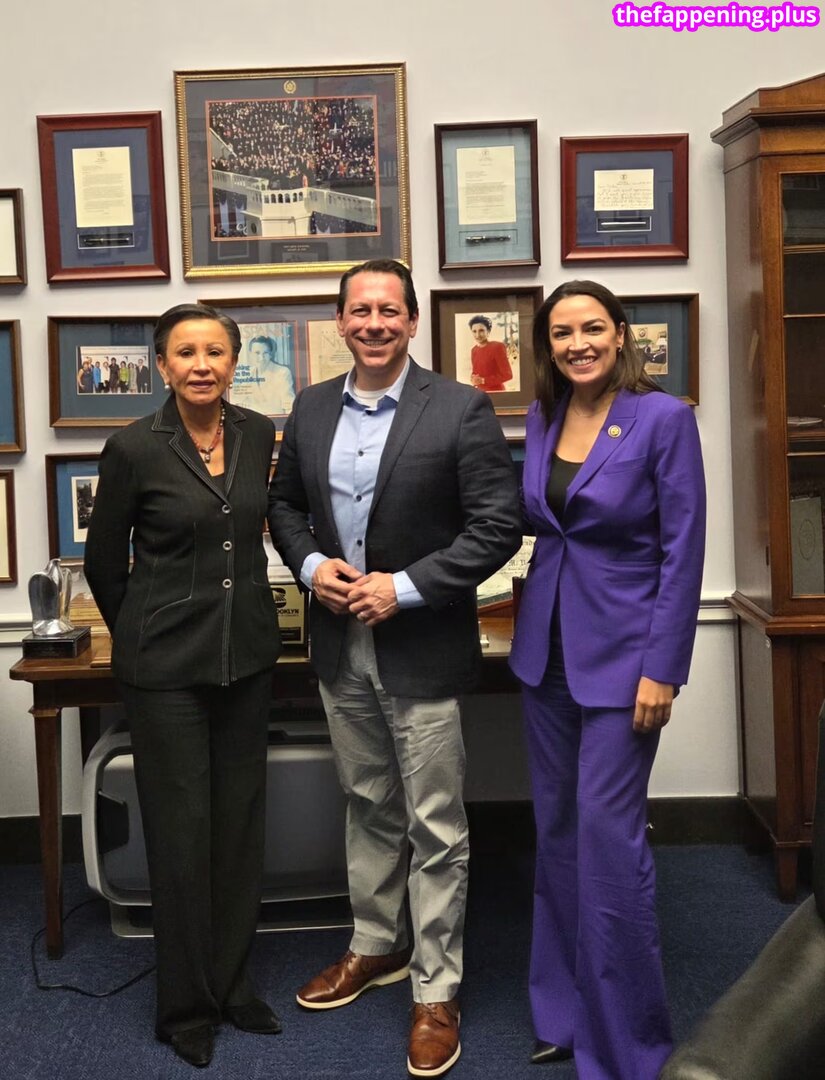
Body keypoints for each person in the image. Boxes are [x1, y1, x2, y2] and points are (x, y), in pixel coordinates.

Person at [268, 259, 522, 1078]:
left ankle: (435, 988)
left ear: (412, 321)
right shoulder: (311, 407)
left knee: (434, 825)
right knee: (367, 803)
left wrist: (403, 588)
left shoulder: (459, 408)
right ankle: (377, 944)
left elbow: (496, 525)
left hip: (422, 644)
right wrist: (313, 568)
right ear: (340, 322)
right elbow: (284, 506)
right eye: (359, 310)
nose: (373, 323)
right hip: (339, 645)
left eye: (388, 310)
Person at [509, 280, 706, 1080]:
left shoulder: (662, 419)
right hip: (544, 655)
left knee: (609, 846)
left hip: (625, 662)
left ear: (621, 334)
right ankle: (562, 1013)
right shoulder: (542, 416)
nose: (577, 343)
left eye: (591, 327)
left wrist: (663, 667)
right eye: (561, 332)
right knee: (556, 835)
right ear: (547, 345)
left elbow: (683, 549)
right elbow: (537, 527)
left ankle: (627, 1045)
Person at [84, 303, 282, 1069]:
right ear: (162, 366)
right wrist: (145, 631)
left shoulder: (257, 433)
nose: (202, 365)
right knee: (180, 835)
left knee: (237, 829)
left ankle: (231, 985)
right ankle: (185, 1006)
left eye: (216, 351)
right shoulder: (134, 446)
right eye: (186, 353)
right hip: (164, 669)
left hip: (246, 659)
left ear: (234, 361)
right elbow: (106, 563)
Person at [468, 315, 513, 392]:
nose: (477, 335)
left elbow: (508, 375)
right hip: (480, 393)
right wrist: (473, 378)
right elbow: (476, 372)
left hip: (496, 392)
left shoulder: (497, 347)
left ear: (488, 331)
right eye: (474, 331)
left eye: (481, 331)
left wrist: (483, 380)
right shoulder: (474, 350)